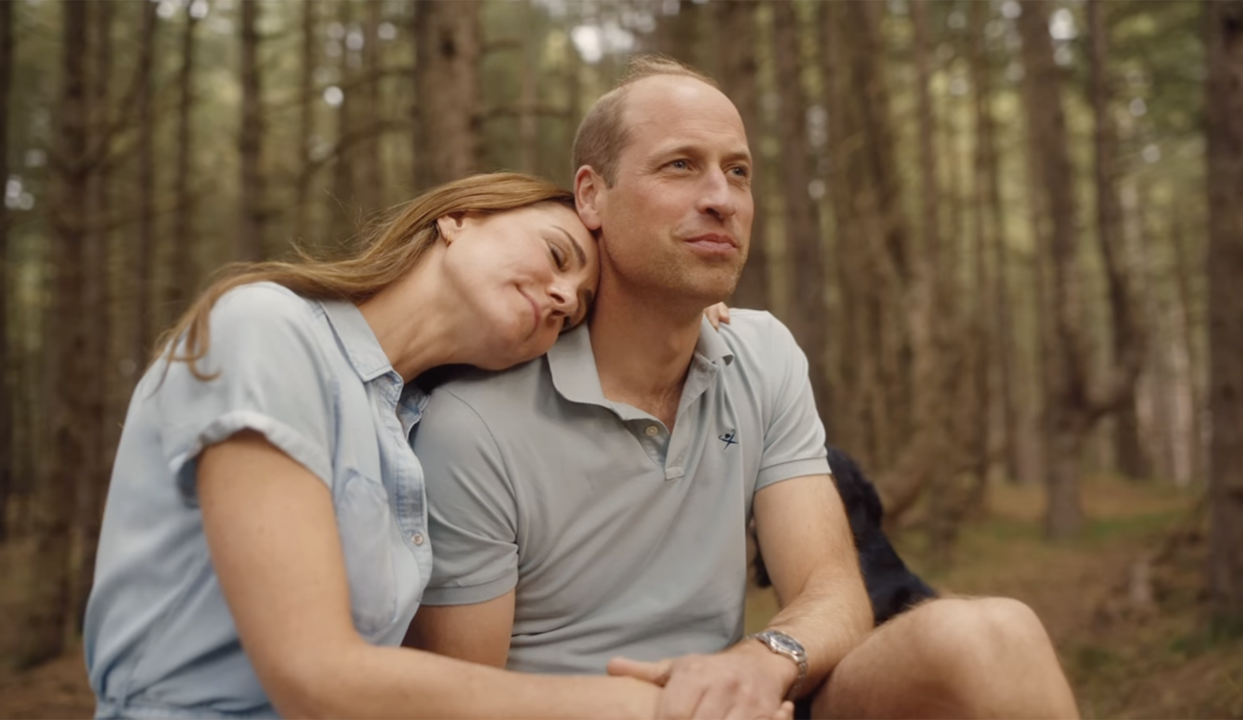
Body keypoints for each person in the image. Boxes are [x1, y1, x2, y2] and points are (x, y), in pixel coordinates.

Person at [408, 58, 1083, 720]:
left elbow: (834, 590)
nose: (720, 199)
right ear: (591, 195)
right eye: (680, 165)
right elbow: (461, 701)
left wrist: (758, 664)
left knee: (993, 636)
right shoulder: (475, 418)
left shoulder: (761, 355)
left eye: (738, 172)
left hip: (746, 702)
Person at [82, 172, 775, 720]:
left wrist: (680, 315)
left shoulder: (417, 429)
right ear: (459, 218)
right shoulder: (270, 328)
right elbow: (313, 678)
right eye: (558, 255)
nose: (565, 296)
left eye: (581, 307)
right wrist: (635, 707)